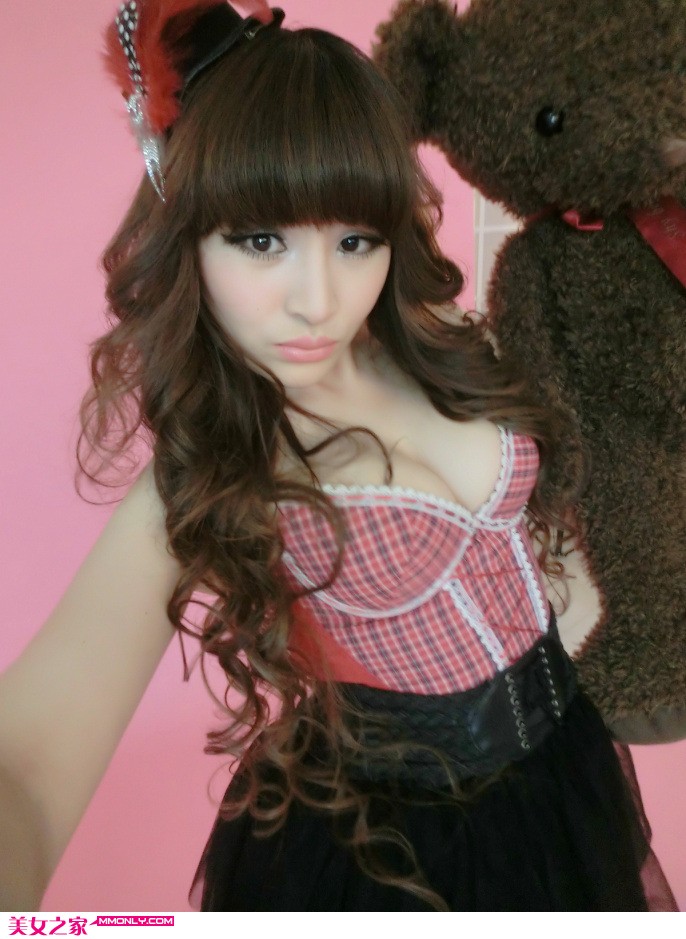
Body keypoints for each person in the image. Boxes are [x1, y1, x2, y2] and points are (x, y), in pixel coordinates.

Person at [0, 0, 677, 912]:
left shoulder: (429, 335)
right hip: (395, 855)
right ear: (185, 231)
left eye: (355, 239)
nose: (319, 300)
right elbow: (27, 759)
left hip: (568, 771)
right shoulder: (216, 464)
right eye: (261, 240)